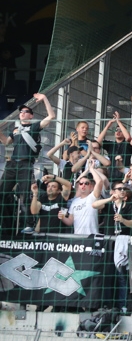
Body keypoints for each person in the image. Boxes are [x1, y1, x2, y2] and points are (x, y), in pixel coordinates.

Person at [0, 93, 55, 233]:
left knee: (24, 194)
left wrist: (44, 99)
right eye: (21, 112)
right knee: (2, 192)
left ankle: (28, 224)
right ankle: (5, 223)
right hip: (12, 164)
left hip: (25, 164)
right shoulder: (16, 130)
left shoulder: (35, 126)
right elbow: (7, 142)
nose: (22, 113)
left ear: (31, 115)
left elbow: (51, 116)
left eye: (26, 112)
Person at [57, 166, 105, 235]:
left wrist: (91, 169)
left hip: (92, 236)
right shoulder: (74, 202)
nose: (83, 185)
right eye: (81, 183)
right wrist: (62, 218)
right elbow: (70, 221)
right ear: (78, 186)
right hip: (78, 238)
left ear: (91, 187)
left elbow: (99, 182)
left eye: (86, 183)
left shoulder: (92, 197)